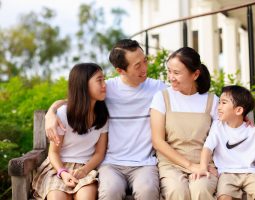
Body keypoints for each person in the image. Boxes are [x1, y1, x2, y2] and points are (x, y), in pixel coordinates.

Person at [44, 39, 166, 200]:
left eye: (145, 61)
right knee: (109, 192)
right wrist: (51, 113)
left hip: (144, 163)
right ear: (120, 70)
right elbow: (75, 100)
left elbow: (181, 101)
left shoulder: (158, 89)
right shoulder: (106, 89)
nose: (145, 68)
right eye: (137, 65)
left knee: (148, 191)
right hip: (112, 163)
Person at [150, 47, 255, 200]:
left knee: (201, 190)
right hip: (171, 164)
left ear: (195, 74)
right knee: (177, 192)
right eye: (169, 71)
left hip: (204, 163)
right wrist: (190, 165)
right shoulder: (162, 98)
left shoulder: (212, 101)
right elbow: (157, 141)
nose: (171, 77)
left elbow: (229, 125)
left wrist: (249, 124)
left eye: (176, 73)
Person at [32, 63, 109, 200]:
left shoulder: (102, 115)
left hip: (87, 167)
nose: (104, 84)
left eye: (104, 79)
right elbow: (53, 152)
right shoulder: (63, 115)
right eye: (99, 80)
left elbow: (99, 153)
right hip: (58, 167)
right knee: (57, 197)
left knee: (86, 197)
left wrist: (84, 170)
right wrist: (63, 172)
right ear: (84, 85)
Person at [190, 85, 255, 200]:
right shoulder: (217, 127)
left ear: (238, 110)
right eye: (219, 103)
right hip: (226, 174)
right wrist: (203, 167)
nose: (218, 107)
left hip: (251, 173)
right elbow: (207, 148)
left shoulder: (252, 131)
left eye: (223, 103)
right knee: (224, 197)